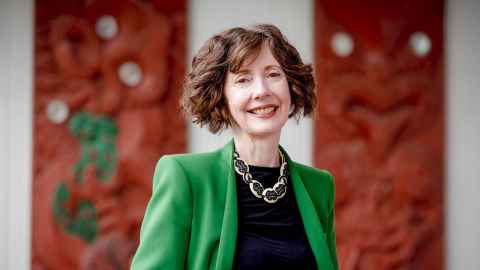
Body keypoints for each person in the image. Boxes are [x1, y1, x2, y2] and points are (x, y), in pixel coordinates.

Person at [130, 24, 338, 270]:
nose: (261, 91)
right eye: (243, 79)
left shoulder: (319, 187)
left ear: (292, 86)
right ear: (221, 97)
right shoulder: (185, 177)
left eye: (273, 74)